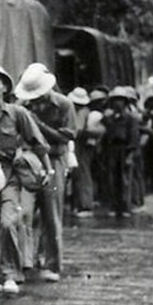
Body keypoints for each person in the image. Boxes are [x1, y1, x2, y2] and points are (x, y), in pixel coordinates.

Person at [0, 64, 49, 294]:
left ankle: (11, 275)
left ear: (6, 87)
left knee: (8, 222)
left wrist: (47, 170)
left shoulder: (17, 114)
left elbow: (38, 142)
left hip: (10, 175)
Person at [15, 63, 76, 282]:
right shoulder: (23, 106)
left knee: (52, 215)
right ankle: (24, 260)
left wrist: (40, 126)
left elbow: (68, 135)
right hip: (29, 161)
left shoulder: (64, 105)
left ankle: (53, 264)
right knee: (23, 213)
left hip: (55, 160)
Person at [101, 87, 141, 217]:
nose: (118, 103)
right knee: (112, 178)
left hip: (125, 149)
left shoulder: (130, 118)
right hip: (112, 150)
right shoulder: (110, 119)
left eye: (120, 101)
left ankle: (125, 207)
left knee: (125, 179)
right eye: (115, 101)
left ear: (125, 103)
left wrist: (130, 155)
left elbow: (134, 137)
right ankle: (114, 206)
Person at [67, 87, 95, 216]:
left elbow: (79, 129)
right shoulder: (73, 111)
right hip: (74, 142)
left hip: (81, 143)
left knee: (83, 173)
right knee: (75, 175)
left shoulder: (85, 112)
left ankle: (85, 205)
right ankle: (77, 204)